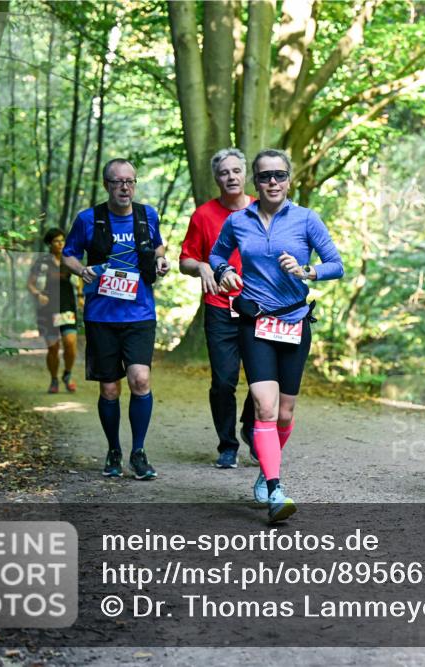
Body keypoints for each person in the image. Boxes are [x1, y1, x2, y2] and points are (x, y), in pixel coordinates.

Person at [210, 149, 344, 522]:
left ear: (289, 179)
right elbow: (217, 255)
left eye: (279, 175)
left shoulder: (306, 219)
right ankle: (274, 487)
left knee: (284, 413)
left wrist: (307, 272)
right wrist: (224, 273)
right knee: (264, 406)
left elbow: (337, 265)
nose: (273, 182)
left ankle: (265, 468)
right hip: (255, 323)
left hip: (294, 322)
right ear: (256, 181)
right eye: (265, 176)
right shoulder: (238, 221)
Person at [62, 159, 170, 480]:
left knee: (140, 379)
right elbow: (68, 253)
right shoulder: (88, 219)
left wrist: (162, 261)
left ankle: (138, 452)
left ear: (135, 184)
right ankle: (113, 450)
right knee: (109, 389)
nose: (124, 187)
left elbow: (159, 245)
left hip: (140, 313)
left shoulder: (146, 214)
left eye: (130, 181)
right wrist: (82, 270)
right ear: (106, 185)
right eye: (117, 182)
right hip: (101, 315)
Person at [180, 148, 257, 469]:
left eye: (236, 170)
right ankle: (228, 445)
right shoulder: (203, 215)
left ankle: (253, 428)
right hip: (219, 308)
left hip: (259, 307)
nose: (231, 177)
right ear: (217, 178)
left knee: (263, 378)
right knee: (224, 381)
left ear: (245, 174)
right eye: (224, 172)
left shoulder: (263, 208)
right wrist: (201, 268)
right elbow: (185, 260)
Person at [28, 227, 79, 394]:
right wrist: (37, 294)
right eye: (57, 241)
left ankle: (68, 374)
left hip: (66, 307)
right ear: (50, 243)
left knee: (70, 343)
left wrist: (81, 295)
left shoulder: (69, 259)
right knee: (53, 348)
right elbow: (30, 284)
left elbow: (81, 276)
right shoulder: (42, 262)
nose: (61, 244)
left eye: (63, 241)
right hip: (48, 309)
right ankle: (54, 379)